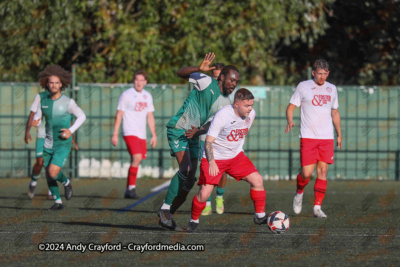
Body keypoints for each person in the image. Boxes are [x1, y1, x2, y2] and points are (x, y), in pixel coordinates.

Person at [158, 53, 240, 231]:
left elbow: (214, 123)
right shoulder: (205, 81)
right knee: (186, 169)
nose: (234, 84)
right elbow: (180, 72)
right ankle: (164, 208)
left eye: (236, 82)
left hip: (193, 135)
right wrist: (197, 68)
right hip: (179, 128)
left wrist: (199, 131)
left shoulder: (227, 102)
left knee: (189, 182)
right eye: (232, 80)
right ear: (222, 77)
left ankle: (168, 217)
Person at [186, 88, 267, 232]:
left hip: (235, 157)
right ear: (236, 104)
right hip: (214, 158)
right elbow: (208, 142)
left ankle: (260, 216)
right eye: (247, 106)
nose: (250, 109)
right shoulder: (222, 115)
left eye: (251, 105)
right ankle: (194, 220)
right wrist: (211, 162)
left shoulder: (251, 114)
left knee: (258, 180)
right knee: (204, 193)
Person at [285, 59, 342, 218]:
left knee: (323, 171)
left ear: (328, 73)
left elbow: (335, 112)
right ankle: (299, 192)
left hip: (326, 138)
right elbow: (291, 107)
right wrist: (290, 120)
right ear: (313, 73)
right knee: (306, 173)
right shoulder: (303, 86)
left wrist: (339, 134)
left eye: (325, 74)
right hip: (308, 137)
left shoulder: (332, 89)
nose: (322, 77)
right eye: (319, 74)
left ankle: (317, 208)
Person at [32, 65, 86, 210]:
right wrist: (35, 122)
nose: (54, 85)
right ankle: (58, 202)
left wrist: (70, 130)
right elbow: (38, 118)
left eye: (57, 83)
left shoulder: (68, 102)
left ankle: (66, 182)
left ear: (61, 84)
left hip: (62, 143)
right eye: (51, 82)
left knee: (53, 171)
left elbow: (82, 116)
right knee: (49, 175)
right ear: (47, 84)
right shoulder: (43, 101)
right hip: (48, 142)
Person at [111, 70, 157, 199]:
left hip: (142, 134)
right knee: (137, 157)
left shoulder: (147, 96)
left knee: (136, 160)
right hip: (129, 131)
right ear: (133, 81)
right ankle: (131, 189)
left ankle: (128, 189)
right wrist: (115, 134)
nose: (139, 83)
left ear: (145, 82)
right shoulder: (126, 95)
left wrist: (154, 134)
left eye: (142, 80)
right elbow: (119, 115)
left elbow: (150, 116)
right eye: (137, 80)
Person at [26, 95, 79, 199]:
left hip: (54, 137)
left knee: (50, 166)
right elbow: (33, 114)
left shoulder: (63, 100)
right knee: (40, 162)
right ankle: (33, 183)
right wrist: (27, 131)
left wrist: (72, 138)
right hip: (42, 135)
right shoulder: (40, 97)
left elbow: (67, 120)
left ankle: (53, 193)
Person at [199, 63, 229, 216]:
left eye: (219, 77)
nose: (216, 79)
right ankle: (207, 203)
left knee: (222, 171)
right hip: (206, 134)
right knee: (206, 170)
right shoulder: (205, 91)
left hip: (223, 138)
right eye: (214, 76)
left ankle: (219, 197)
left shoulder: (230, 94)